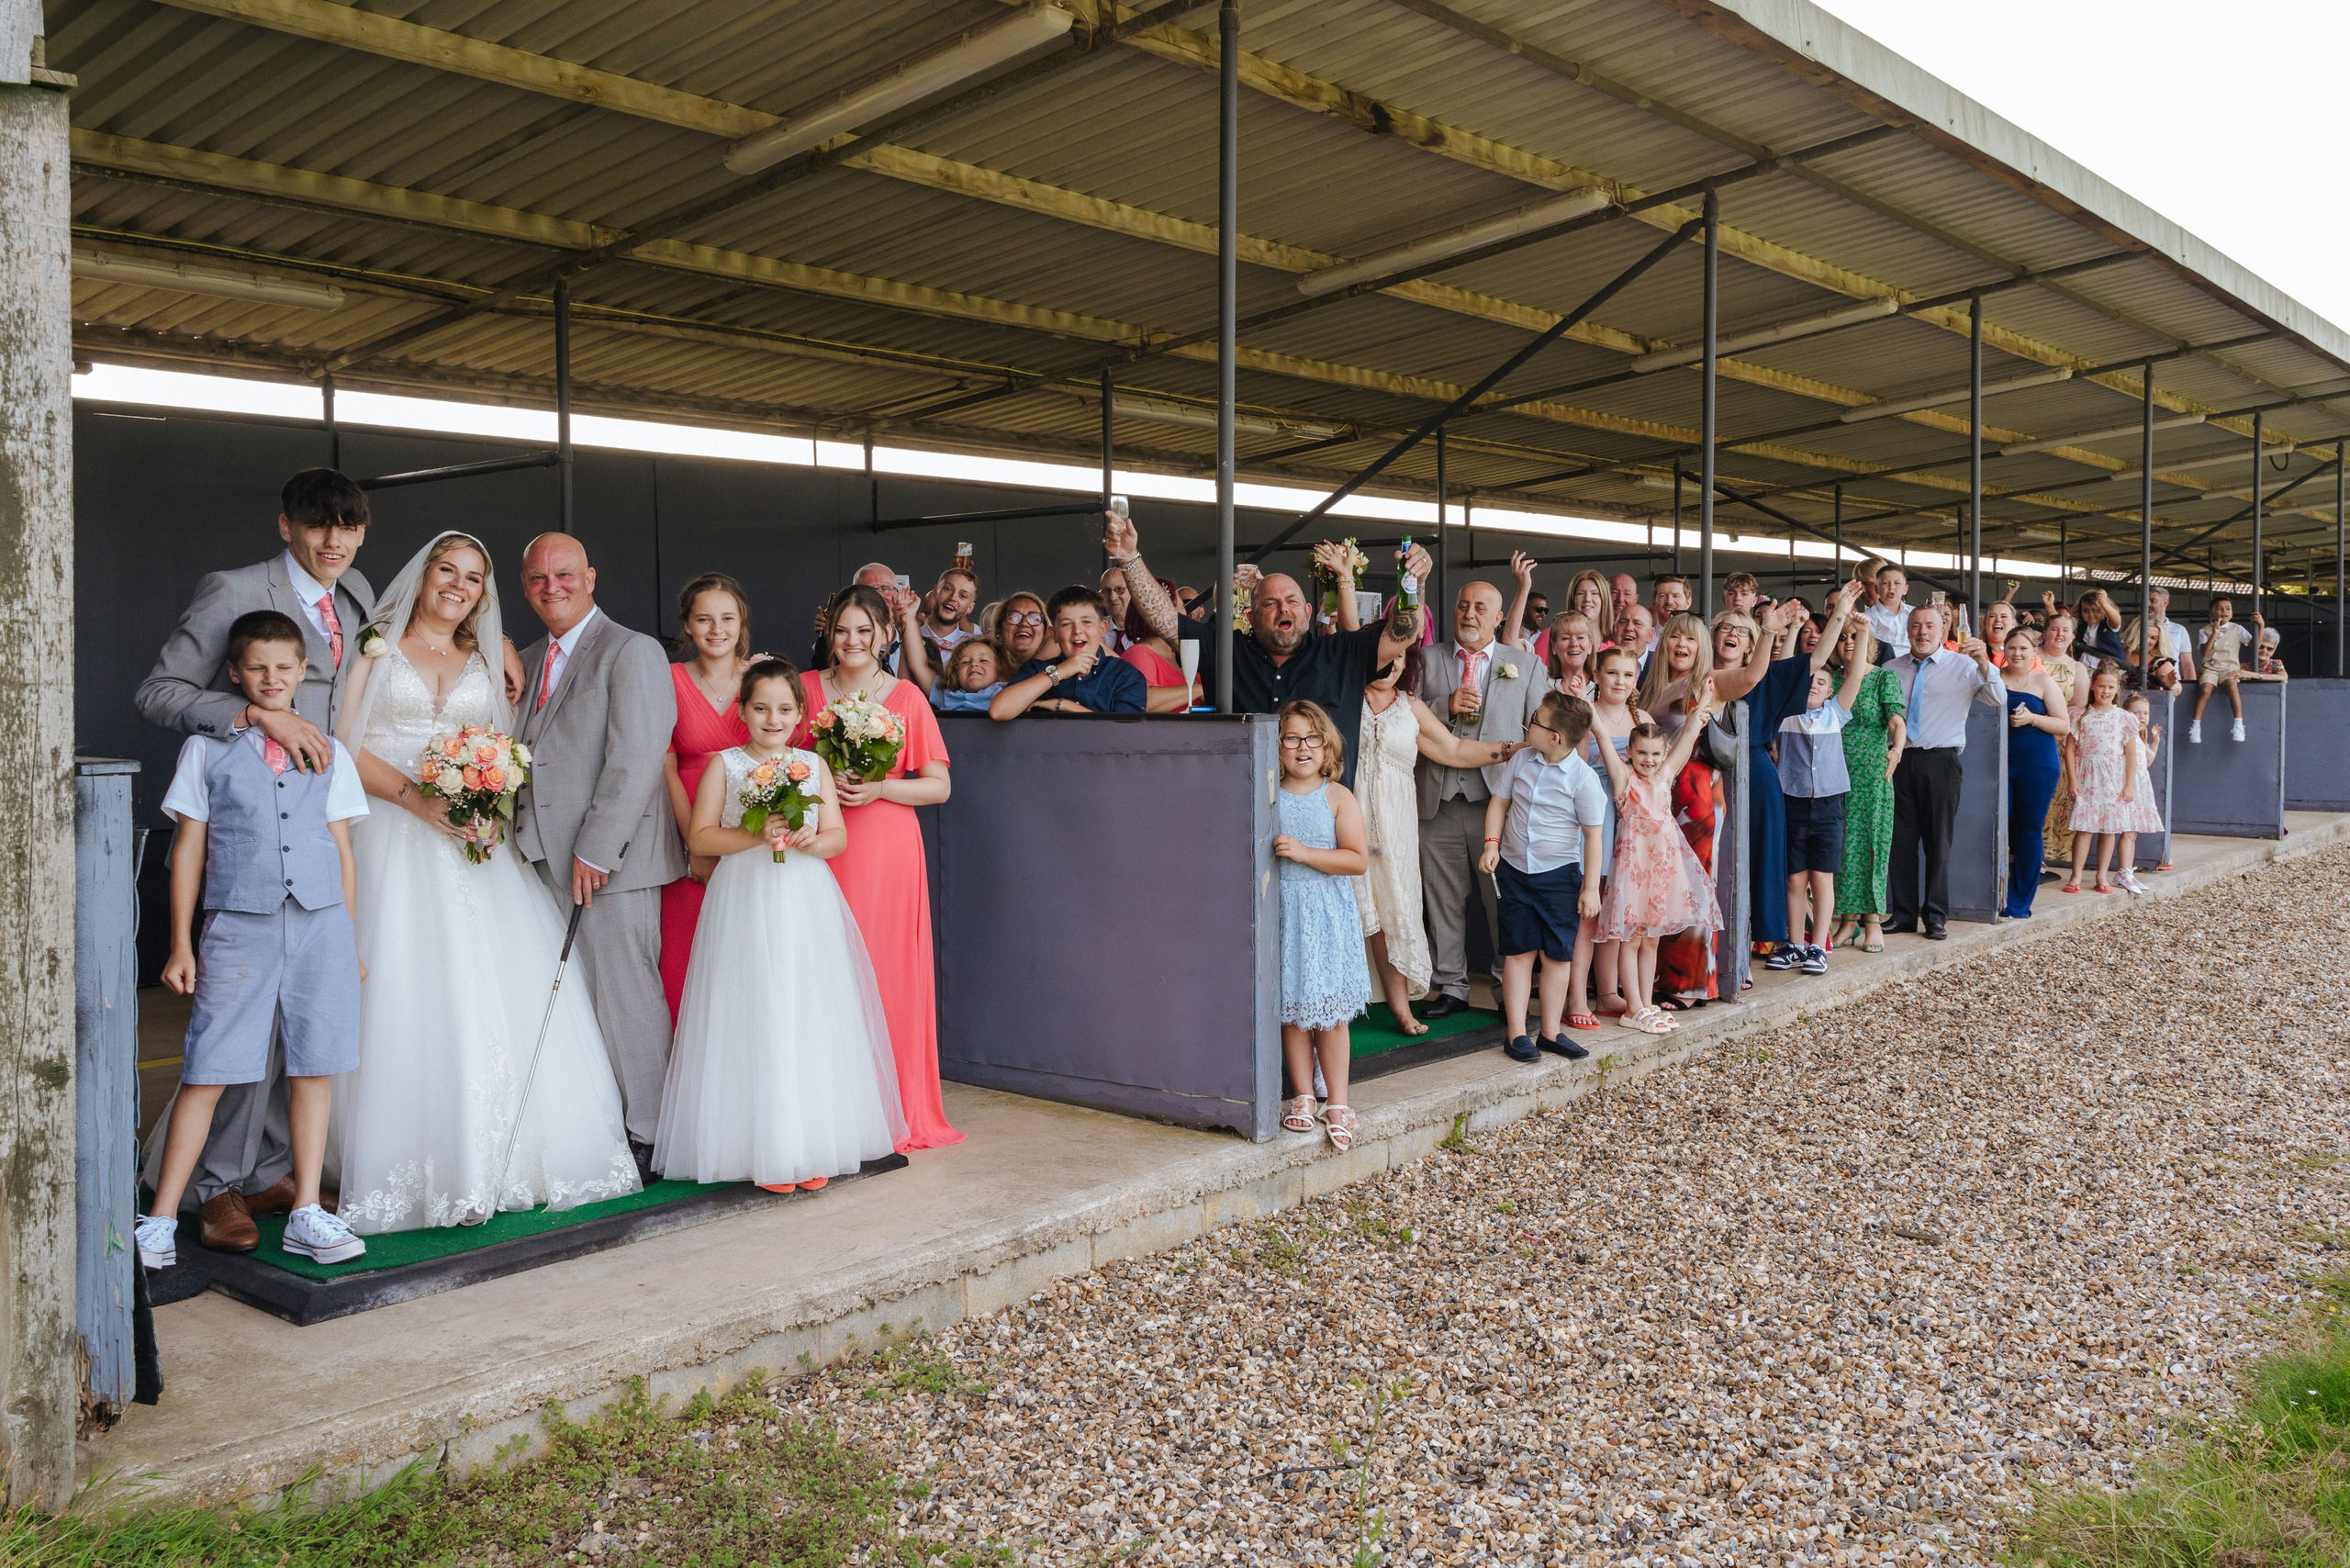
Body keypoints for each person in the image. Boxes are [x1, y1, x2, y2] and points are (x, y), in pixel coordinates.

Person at [336, 532, 642, 1230]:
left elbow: (505, 751)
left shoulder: (490, 660)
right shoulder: (373, 649)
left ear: (484, 593)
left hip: (475, 843)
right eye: (447, 570)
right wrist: (416, 798)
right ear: (422, 576)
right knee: (400, 988)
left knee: (492, 986)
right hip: (390, 836)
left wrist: (483, 797)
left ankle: (509, 1151)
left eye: (473, 577)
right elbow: (342, 746)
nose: (457, 585)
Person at [133, 467, 381, 1252]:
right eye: (317, 525)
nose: (333, 541)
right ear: (286, 527)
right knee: (229, 1051)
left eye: (347, 527)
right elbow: (159, 692)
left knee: (305, 1044)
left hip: (319, 821)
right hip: (245, 821)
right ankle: (215, 1187)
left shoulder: (357, 593)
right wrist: (253, 715)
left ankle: (279, 1176)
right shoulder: (233, 590)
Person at [655, 659, 907, 1192]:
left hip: (803, 897)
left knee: (804, 1008)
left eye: (785, 709)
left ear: (799, 715)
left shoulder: (812, 765)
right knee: (754, 1007)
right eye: (762, 708)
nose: (773, 719)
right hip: (744, 898)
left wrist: (814, 841)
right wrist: (756, 835)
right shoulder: (725, 765)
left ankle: (810, 1142)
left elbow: (837, 836)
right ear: (743, 711)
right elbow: (700, 838)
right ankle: (762, 1147)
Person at [509, 532, 684, 1182]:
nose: (550, 587)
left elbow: (637, 756)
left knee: (624, 998)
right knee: (576, 1005)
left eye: (564, 574)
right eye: (537, 578)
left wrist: (598, 849)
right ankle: (605, 1126)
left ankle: (653, 1135)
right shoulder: (528, 659)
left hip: (610, 863)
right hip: (538, 860)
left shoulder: (631, 650)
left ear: (590, 577)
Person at [792, 584, 961, 1150]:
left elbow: (939, 786)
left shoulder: (907, 697)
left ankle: (892, 1108)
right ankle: (828, 1109)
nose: (852, 641)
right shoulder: (805, 690)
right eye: (842, 629)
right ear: (829, 633)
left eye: (865, 630)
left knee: (885, 968)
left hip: (886, 849)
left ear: (886, 635)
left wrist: (880, 788)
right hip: (820, 843)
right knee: (821, 968)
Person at [1354, 644, 1525, 1036]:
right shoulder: (1346, 697)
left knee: (1391, 911)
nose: (1392, 665)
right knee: (1352, 910)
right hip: (1348, 817)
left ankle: (1400, 1009)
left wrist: (1513, 749)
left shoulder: (1410, 706)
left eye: (1400, 658)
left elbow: (1456, 749)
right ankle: (1339, 1008)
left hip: (1395, 825)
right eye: (1385, 656)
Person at [1192, 530, 1430, 789]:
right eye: (1270, 603)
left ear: (1308, 612)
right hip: (1241, 799)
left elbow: (1402, 634)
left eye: (1291, 601)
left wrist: (1415, 580)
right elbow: (1169, 625)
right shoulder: (1230, 652)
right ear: (1251, 616)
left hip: (1323, 807)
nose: (1283, 608)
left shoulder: (1340, 654)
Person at [1415, 578, 1546, 1019]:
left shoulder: (1524, 665)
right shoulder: (1426, 659)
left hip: (1499, 805)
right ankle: (1450, 985)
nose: (1469, 614)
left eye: (1480, 607)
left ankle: (1506, 988)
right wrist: (1444, 706)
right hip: (1437, 800)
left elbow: (1540, 732)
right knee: (1442, 900)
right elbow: (1403, 716)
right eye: (1462, 605)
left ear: (1499, 617)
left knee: (1502, 901)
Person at [1478, 690, 1607, 1061]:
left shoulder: (1583, 780)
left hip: (1558, 877)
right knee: (1518, 952)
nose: (1528, 723)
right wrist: (1491, 845)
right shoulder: (1521, 759)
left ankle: (1550, 1032)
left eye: (1535, 720)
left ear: (1554, 737)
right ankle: (1517, 1034)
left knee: (1556, 956)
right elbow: (1500, 802)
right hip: (1515, 871)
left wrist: (1589, 888)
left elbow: (1593, 836)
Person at [1589, 694, 1724, 1036]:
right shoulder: (1623, 778)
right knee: (1631, 939)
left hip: (1662, 870)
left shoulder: (1665, 777)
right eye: (1642, 753)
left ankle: (1646, 1004)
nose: (1648, 760)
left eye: (1655, 754)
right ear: (1630, 753)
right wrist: (1586, 703)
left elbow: (1688, 737)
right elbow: (1601, 736)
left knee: (1652, 940)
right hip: (1634, 870)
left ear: (1664, 755)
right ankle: (1632, 1007)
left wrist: (1702, 707)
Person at [1270, 701, 1372, 1154]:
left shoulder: (1337, 796)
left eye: (1312, 738)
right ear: (1278, 747)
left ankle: (1339, 1102)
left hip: (1326, 914)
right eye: (1292, 738)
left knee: (1329, 1015)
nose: (1303, 748)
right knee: (1292, 1008)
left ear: (1326, 745)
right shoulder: (1269, 795)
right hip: (1284, 911)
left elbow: (1357, 859)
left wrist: (1304, 852)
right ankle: (1303, 1095)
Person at [659, 574, 753, 1024]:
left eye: (727, 618)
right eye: (704, 619)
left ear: (741, 623)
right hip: (686, 829)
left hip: (751, 832)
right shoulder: (668, 679)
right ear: (687, 625)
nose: (717, 629)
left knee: (746, 955)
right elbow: (665, 767)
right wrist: (693, 846)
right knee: (686, 956)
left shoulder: (762, 679)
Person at [1885, 605, 2004, 939]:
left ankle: (1936, 916)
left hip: (1941, 761)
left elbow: (1997, 698)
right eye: (1915, 626)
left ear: (1943, 630)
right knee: (1900, 842)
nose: (1922, 632)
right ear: (1907, 630)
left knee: (1939, 842)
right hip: (1898, 760)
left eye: (1929, 626)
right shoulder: (1890, 669)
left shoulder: (1963, 666)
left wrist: (1985, 662)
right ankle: (1903, 913)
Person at [1767, 608, 1874, 975]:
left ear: (1831, 690)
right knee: (1795, 878)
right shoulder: (1786, 715)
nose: (1814, 684)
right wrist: (1793, 630)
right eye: (1810, 679)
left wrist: (1861, 633)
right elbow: (1782, 670)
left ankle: (1818, 946)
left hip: (1828, 805)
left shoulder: (1835, 713)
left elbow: (1856, 674)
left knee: (1822, 877)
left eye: (1822, 682)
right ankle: (1795, 943)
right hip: (1793, 802)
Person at [1637, 612, 1722, 1007]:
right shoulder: (1650, 686)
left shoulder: (1707, 683)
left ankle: (1690, 985)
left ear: (1702, 647)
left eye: (1691, 639)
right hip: (1657, 796)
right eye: (1675, 637)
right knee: (1660, 888)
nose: (1682, 645)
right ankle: (1659, 977)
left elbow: (1751, 677)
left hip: (1696, 794)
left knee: (1692, 886)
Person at [1826, 615, 1906, 954]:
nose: (1848, 642)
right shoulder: (1829, 679)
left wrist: (1897, 749)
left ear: (1869, 642)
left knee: (1872, 843)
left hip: (1873, 774)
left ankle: (1872, 921)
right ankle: (1847, 921)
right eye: (1842, 637)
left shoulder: (1884, 678)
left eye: (1855, 636)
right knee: (1842, 845)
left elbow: (1896, 721)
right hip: (1834, 772)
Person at [1998, 627, 2071, 920]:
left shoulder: (2043, 681)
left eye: (2023, 648)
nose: (2017, 653)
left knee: (2028, 830)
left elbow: (2063, 725)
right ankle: (1992, 894)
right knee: (1998, 828)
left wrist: (2032, 719)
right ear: (2003, 649)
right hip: (2000, 763)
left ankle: (2018, 903)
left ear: (2033, 652)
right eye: (2011, 647)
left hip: (2037, 765)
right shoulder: (1993, 679)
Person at [991, 585, 1148, 717]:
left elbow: (1124, 735)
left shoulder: (1125, 675)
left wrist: (1064, 705)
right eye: (1066, 624)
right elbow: (998, 711)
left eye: (1086, 622)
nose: (1077, 630)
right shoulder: (1036, 670)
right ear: (1053, 634)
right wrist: (1060, 671)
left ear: (1102, 629)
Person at [2065, 660, 2143, 896]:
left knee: (2109, 829)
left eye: (2110, 687)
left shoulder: (2124, 718)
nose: (2105, 691)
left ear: (2117, 688)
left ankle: (2102, 875)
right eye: (2101, 686)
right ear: (2092, 685)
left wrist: (2128, 785)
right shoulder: (2080, 716)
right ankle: (2076, 875)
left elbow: (2131, 754)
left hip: (2113, 779)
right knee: (2084, 828)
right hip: (2087, 778)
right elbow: (2070, 749)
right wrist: (2072, 779)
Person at [2188, 598, 2255, 742]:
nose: (2224, 611)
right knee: (2205, 689)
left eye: (2228, 608)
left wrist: (2260, 626)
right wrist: (2214, 633)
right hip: (2210, 667)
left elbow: (2254, 645)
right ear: (2211, 613)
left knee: (2232, 685)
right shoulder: (2204, 630)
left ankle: (2238, 724)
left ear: (2232, 613)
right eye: (2219, 608)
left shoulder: (2238, 629)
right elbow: (2204, 652)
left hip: (2229, 667)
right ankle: (2196, 726)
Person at [2121, 690, 2166, 884]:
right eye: (2136, 713)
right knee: (2128, 831)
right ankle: (2123, 871)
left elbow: (2147, 761)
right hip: (2129, 786)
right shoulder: (2125, 735)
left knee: (2133, 832)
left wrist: (2155, 741)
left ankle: (2128, 871)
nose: (2142, 717)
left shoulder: (2140, 737)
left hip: (2140, 788)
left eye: (2145, 713)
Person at [912, 566, 980, 689]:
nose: (953, 597)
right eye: (947, 589)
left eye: (963, 596)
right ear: (935, 591)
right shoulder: (909, 638)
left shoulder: (976, 646)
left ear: (970, 608)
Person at [992, 590, 1058, 675]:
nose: (1024, 623)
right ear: (999, 630)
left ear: (1045, 630)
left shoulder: (1062, 664)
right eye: (1014, 617)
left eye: (1034, 618)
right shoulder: (985, 668)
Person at [935, 638, 1007, 712]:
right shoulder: (947, 695)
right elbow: (925, 672)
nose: (973, 664)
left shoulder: (1007, 693)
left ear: (1000, 669)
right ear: (956, 672)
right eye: (965, 662)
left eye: (983, 660)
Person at [1544, 610, 1599, 700]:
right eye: (1566, 638)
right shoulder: (1542, 685)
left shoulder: (1601, 689)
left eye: (1580, 637)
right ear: (1553, 646)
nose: (1574, 644)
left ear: (1590, 646)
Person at [1864, 565, 1912, 665]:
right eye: (1885, 583)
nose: (1891, 588)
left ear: (1905, 589)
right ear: (1876, 589)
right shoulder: (1868, 617)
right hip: (1884, 665)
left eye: (1897, 583)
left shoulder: (1915, 613)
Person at [1561, 568, 1614, 648]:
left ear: (1604, 600)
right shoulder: (1554, 637)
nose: (1587, 599)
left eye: (1594, 593)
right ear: (1572, 599)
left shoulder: (1618, 642)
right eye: (1581, 593)